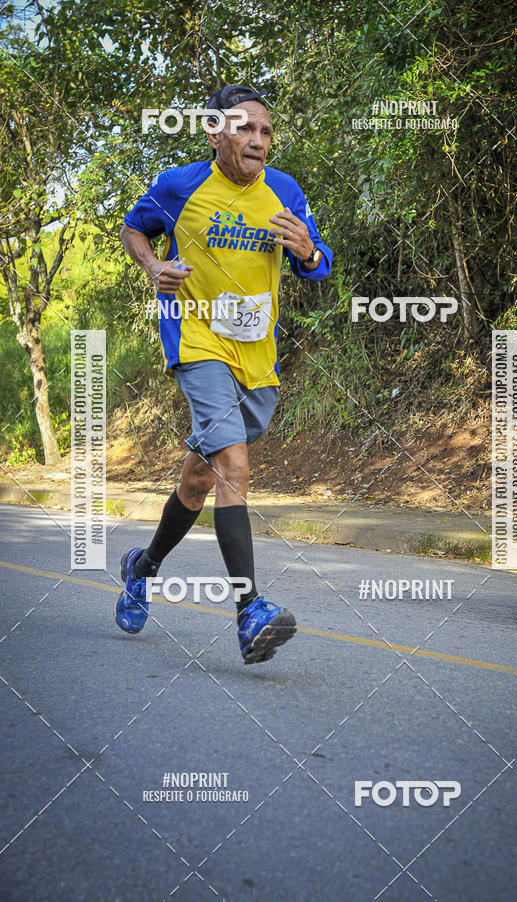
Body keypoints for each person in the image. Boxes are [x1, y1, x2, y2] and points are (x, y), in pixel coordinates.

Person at [116, 84, 333, 663]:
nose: (258, 140)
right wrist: (155, 265)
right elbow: (133, 229)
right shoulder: (180, 185)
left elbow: (317, 264)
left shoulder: (284, 190)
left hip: (257, 356)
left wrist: (309, 250)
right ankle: (250, 610)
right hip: (196, 339)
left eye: (265, 131)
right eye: (245, 129)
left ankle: (143, 566)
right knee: (234, 463)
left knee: (199, 480)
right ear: (215, 134)